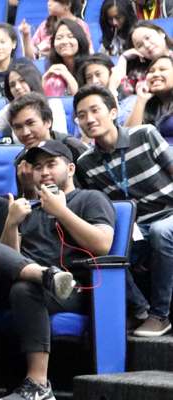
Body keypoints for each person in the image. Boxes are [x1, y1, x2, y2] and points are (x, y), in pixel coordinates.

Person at [0, 141, 114, 400]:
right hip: (25, 280)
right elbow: (8, 259)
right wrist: (11, 224)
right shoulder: (28, 208)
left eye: (51, 164)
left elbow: (103, 244)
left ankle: (38, 385)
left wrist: (61, 211)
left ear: (70, 169)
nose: (44, 171)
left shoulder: (89, 198)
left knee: (25, 288)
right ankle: (44, 275)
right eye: (38, 167)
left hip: (69, 290)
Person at [75, 83, 173, 336]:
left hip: (168, 214)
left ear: (113, 112)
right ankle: (139, 310)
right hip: (135, 225)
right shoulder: (86, 163)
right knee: (98, 246)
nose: (89, 119)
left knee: (161, 231)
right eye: (82, 115)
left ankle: (160, 315)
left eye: (95, 110)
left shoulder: (145, 134)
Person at [7, 93, 89, 200]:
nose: (25, 132)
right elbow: (29, 208)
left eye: (31, 123)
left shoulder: (73, 147)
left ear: (48, 122)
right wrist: (29, 188)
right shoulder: (22, 161)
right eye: (18, 127)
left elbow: (96, 194)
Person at [0, 63, 69, 144]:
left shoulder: (53, 104)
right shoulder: (10, 109)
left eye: (22, 81)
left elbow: (60, 138)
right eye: (12, 85)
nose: (17, 87)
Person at [19, 0, 91, 61]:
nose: (49, 3)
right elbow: (31, 57)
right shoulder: (45, 25)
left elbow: (86, 53)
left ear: (67, 5)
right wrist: (26, 35)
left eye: (54, 0)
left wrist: (54, 55)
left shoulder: (81, 25)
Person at [78, 54, 135, 126]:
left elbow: (119, 125)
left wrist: (112, 91)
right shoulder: (83, 106)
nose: (94, 81)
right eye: (89, 77)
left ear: (111, 74)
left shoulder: (131, 101)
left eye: (98, 74)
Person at [120, 21, 173, 97]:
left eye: (148, 38)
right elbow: (122, 93)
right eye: (140, 45)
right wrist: (124, 57)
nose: (147, 45)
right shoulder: (138, 73)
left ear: (161, 33)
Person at [124, 56, 173, 137]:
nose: (156, 74)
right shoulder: (147, 107)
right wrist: (141, 101)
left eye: (162, 69)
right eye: (151, 71)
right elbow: (128, 137)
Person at [40, 19, 91, 97]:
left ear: (80, 41)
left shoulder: (90, 68)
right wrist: (44, 81)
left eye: (70, 37)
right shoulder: (52, 69)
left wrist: (68, 77)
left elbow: (82, 102)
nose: (64, 42)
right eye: (59, 38)